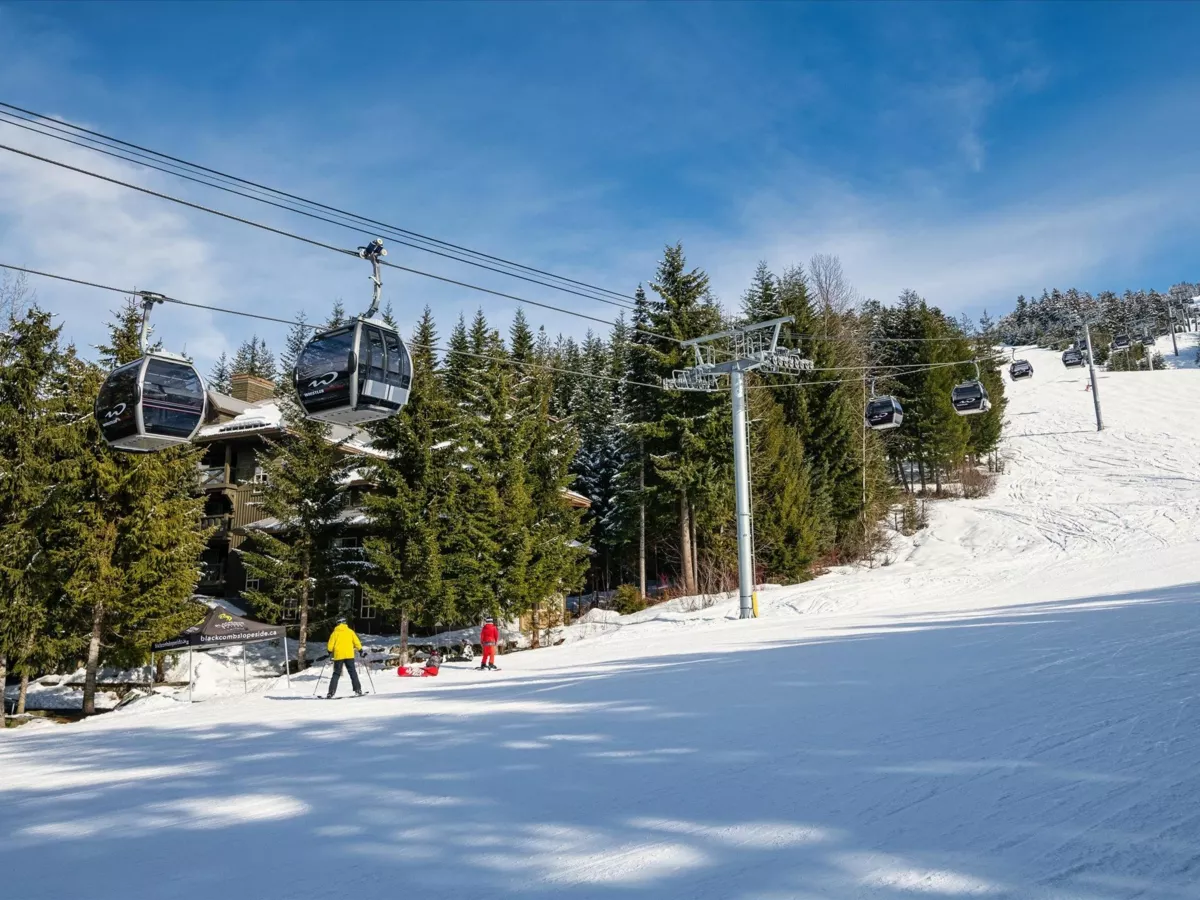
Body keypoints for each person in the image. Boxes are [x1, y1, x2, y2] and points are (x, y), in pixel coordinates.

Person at [326, 616, 364, 697]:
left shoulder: (335, 633)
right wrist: (360, 650)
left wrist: (329, 651)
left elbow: (330, 644)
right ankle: (358, 690)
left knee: (336, 673)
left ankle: (331, 692)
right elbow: (356, 642)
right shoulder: (350, 632)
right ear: (345, 623)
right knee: (352, 672)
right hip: (349, 655)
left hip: (338, 656)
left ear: (338, 623)